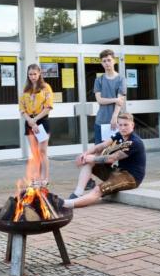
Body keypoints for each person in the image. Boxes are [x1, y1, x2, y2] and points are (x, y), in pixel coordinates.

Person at [59, 113, 145, 209]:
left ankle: (65, 204)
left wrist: (93, 158)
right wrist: (85, 154)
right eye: (120, 125)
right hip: (118, 172)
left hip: (131, 178)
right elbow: (102, 146)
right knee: (89, 161)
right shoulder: (119, 136)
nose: (123, 128)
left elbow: (112, 158)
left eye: (126, 125)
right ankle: (77, 193)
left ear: (132, 125)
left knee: (97, 189)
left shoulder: (134, 142)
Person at [88, 49, 126, 191]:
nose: (107, 63)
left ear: (114, 61)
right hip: (101, 121)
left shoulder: (121, 79)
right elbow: (99, 100)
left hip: (116, 121)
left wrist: (115, 116)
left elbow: (120, 101)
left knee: (116, 152)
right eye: (104, 61)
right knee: (98, 152)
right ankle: (89, 179)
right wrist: (115, 99)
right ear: (101, 63)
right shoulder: (99, 80)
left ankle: (116, 179)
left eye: (109, 60)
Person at [19, 64, 54, 184]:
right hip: (29, 122)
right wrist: (30, 120)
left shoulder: (45, 88)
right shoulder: (25, 90)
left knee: (42, 151)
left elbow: (48, 107)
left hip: (42, 121)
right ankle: (36, 177)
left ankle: (45, 178)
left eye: (35, 74)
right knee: (34, 152)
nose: (32, 76)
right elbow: (22, 108)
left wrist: (35, 120)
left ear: (39, 74)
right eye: (30, 74)